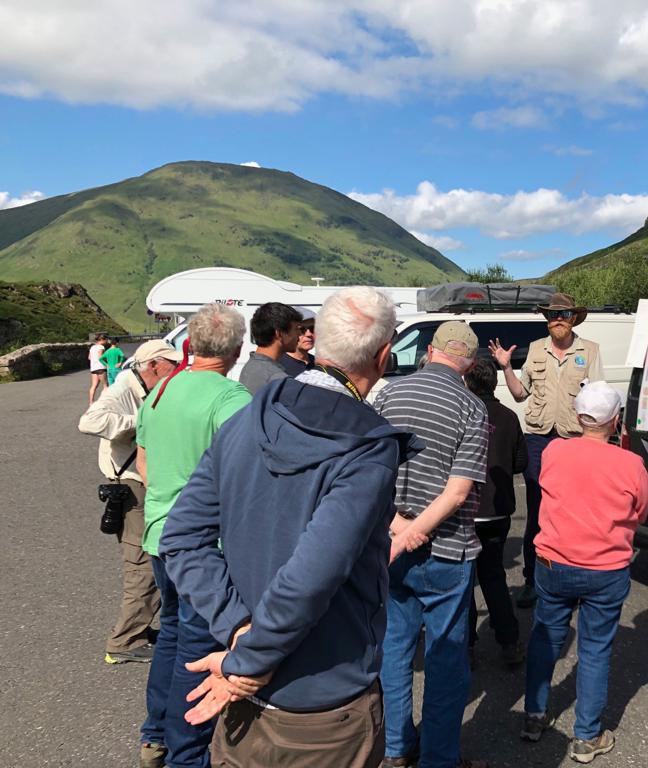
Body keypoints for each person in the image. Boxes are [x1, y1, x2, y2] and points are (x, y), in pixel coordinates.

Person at [160, 287, 419, 767]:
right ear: (384, 355)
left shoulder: (246, 415)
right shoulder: (368, 446)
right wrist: (248, 657)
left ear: (316, 340)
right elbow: (310, 578)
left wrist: (237, 628)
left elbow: (181, 539)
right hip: (322, 705)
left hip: (244, 700)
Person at [135, 303, 252, 768]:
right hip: (205, 545)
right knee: (198, 646)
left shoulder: (161, 390)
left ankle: (155, 734)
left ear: (191, 344)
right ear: (237, 349)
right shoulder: (231, 399)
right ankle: (188, 754)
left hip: (158, 533)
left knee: (171, 634)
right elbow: (245, 476)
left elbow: (143, 459)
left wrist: (165, 495)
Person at [374, 320, 489, 768]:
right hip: (447, 549)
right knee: (444, 661)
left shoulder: (387, 394)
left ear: (429, 352)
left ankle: (397, 747)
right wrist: (415, 531)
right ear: (470, 363)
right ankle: (438, 759)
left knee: (396, 649)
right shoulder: (471, 407)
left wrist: (397, 527)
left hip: (390, 546)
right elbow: (458, 493)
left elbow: (369, 472)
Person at [522, 381, 648, 764]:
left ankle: (533, 716)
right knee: (595, 650)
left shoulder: (555, 451)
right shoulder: (630, 463)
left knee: (545, 636)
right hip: (605, 568)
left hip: (553, 561)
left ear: (578, 417)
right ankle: (586, 735)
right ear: (616, 421)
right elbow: (641, 512)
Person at [488, 292, 603, 608]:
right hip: (538, 441)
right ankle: (531, 580)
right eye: (552, 314)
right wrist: (507, 367)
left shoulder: (589, 351)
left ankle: (572, 581)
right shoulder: (536, 350)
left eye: (563, 314)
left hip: (574, 441)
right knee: (538, 511)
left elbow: (597, 398)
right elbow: (520, 393)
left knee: (574, 513)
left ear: (573, 318)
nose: (557, 319)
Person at [78, 340, 181, 666]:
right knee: (142, 565)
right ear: (152, 365)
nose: (176, 369)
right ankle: (125, 640)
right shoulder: (124, 388)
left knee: (150, 558)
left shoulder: (142, 387)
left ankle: (138, 629)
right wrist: (142, 422)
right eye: (171, 364)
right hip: (129, 486)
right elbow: (90, 422)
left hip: (138, 485)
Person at [463, 359, 527, 668]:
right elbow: (521, 462)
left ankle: (467, 646)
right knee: (493, 576)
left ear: (467, 383)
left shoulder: (462, 413)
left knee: (464, 581)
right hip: (498, 511)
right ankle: (509, 642)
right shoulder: (509, 417)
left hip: (465, 510)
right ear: (495, 383)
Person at [237, 302, 302, 394]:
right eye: (296, 329)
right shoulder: (277, 378)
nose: (299, 334)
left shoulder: (251, 366)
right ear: (279, 334)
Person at [279, 307, 316, 377]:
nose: (309, 334)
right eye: (301, 329)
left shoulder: (319, 364)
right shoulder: (278, 366)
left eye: (312, 329)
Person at [88, 333, 109, 405]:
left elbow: (89, 357)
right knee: (105, 385)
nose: (107, 341)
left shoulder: (92, 347)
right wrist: (106, 365)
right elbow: (100, 357)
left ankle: (91, 402)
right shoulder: (101, 347)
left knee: (94, 386)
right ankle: (104, 402)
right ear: (102, 340)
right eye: (106, 340)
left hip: (93, 368)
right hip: (101, 368)